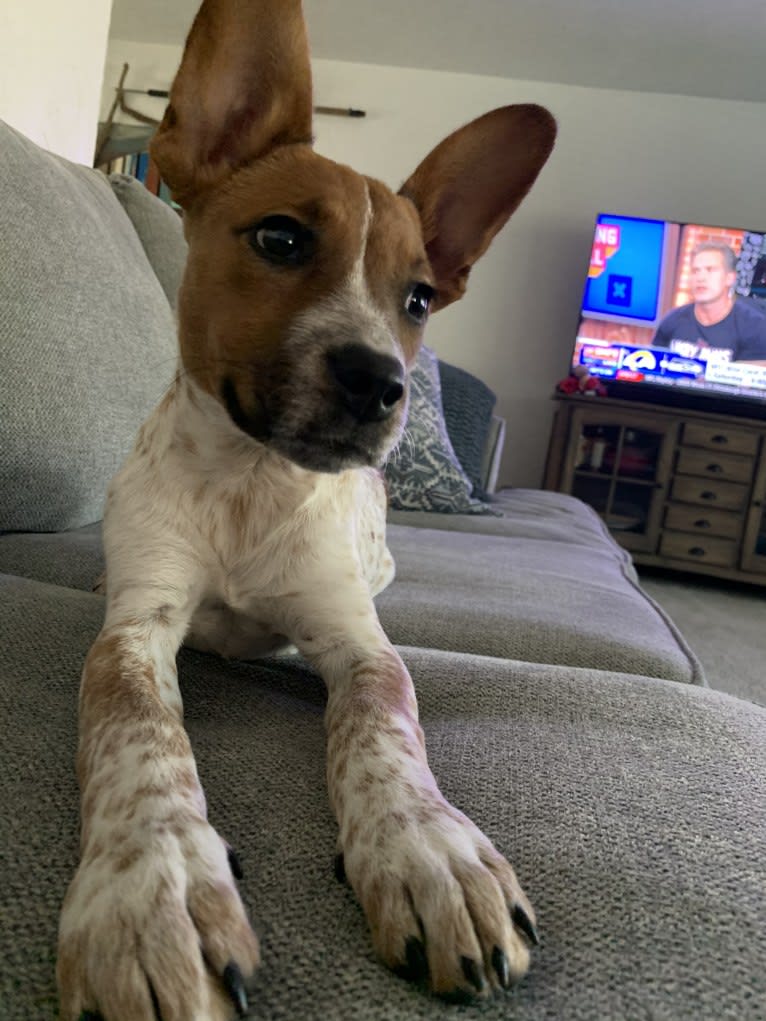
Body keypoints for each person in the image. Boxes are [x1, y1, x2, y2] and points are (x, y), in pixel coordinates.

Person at [653, 241, 766, 363]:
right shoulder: (672, 320)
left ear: (730, 278)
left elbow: (752, 377)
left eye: (710, 270)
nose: (700, 278)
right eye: (696, 271)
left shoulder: (755, 327)